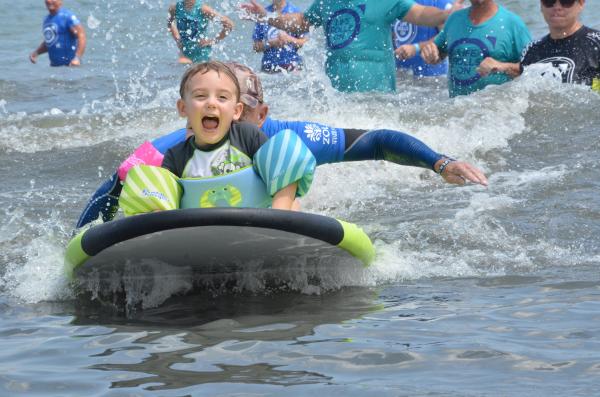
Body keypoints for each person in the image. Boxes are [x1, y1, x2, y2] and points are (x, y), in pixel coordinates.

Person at [75, 62, 487, 228]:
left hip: (272, 218)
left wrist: (439, 163)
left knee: (288, 151)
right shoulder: (170, 147)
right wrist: (80, 246)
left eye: (241, 107)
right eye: (209, 100)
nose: (229, 115)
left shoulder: (288, 137)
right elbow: (115, 186)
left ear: (257, 111)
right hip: (187, 223)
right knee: (142, 179)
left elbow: (376, 140)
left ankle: (281, 218)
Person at [240, 0, 464, 92]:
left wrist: (448, 14)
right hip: (339, 101)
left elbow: (422, 14)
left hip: (377, 98)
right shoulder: (328, 2)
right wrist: (267, 17)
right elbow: (301, 22)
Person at [421, 0, 531, 97]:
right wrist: (431, 54)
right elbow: (438, 52)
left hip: (497, 114)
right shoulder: (454, 20)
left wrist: (502, 66)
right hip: (457, 114)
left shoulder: (512, 23)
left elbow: (535, 69)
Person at [520, 0, 600, 91]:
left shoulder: (596, 43)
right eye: (549, 2)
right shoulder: (531, 50)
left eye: (565, 2)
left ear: (581, 4)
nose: (557, 7)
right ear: (541, 5)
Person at [393, 0, 454, 78]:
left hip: (432, 79)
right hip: (400, 77)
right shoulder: (394, 3)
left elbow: (448, 37)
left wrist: (415, 48)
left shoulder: (441, 3)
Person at [167, 1, 233, 64]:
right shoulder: (175, 8)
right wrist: (177, 39)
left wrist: (214, 40)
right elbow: (170, 24)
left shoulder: (203, 9)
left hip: (201, 52)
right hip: (184, 51)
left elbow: (229, 24)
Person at [252, 0, 308, 73]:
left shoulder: (295, 13)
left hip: (292, 66)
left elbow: (305, 42)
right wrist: (270, 43)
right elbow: (255, 48)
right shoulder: (263, 14)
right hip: (268, 68)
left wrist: (289, 39)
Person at [30, 0, 86, 67]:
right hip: (54, 68)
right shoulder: (47, 19)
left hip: (71, 67)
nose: (49, 1)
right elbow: (51, 41)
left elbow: (81, 36)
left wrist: (77, 58)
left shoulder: (67, 17)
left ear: (60, 1)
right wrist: (36, 53)